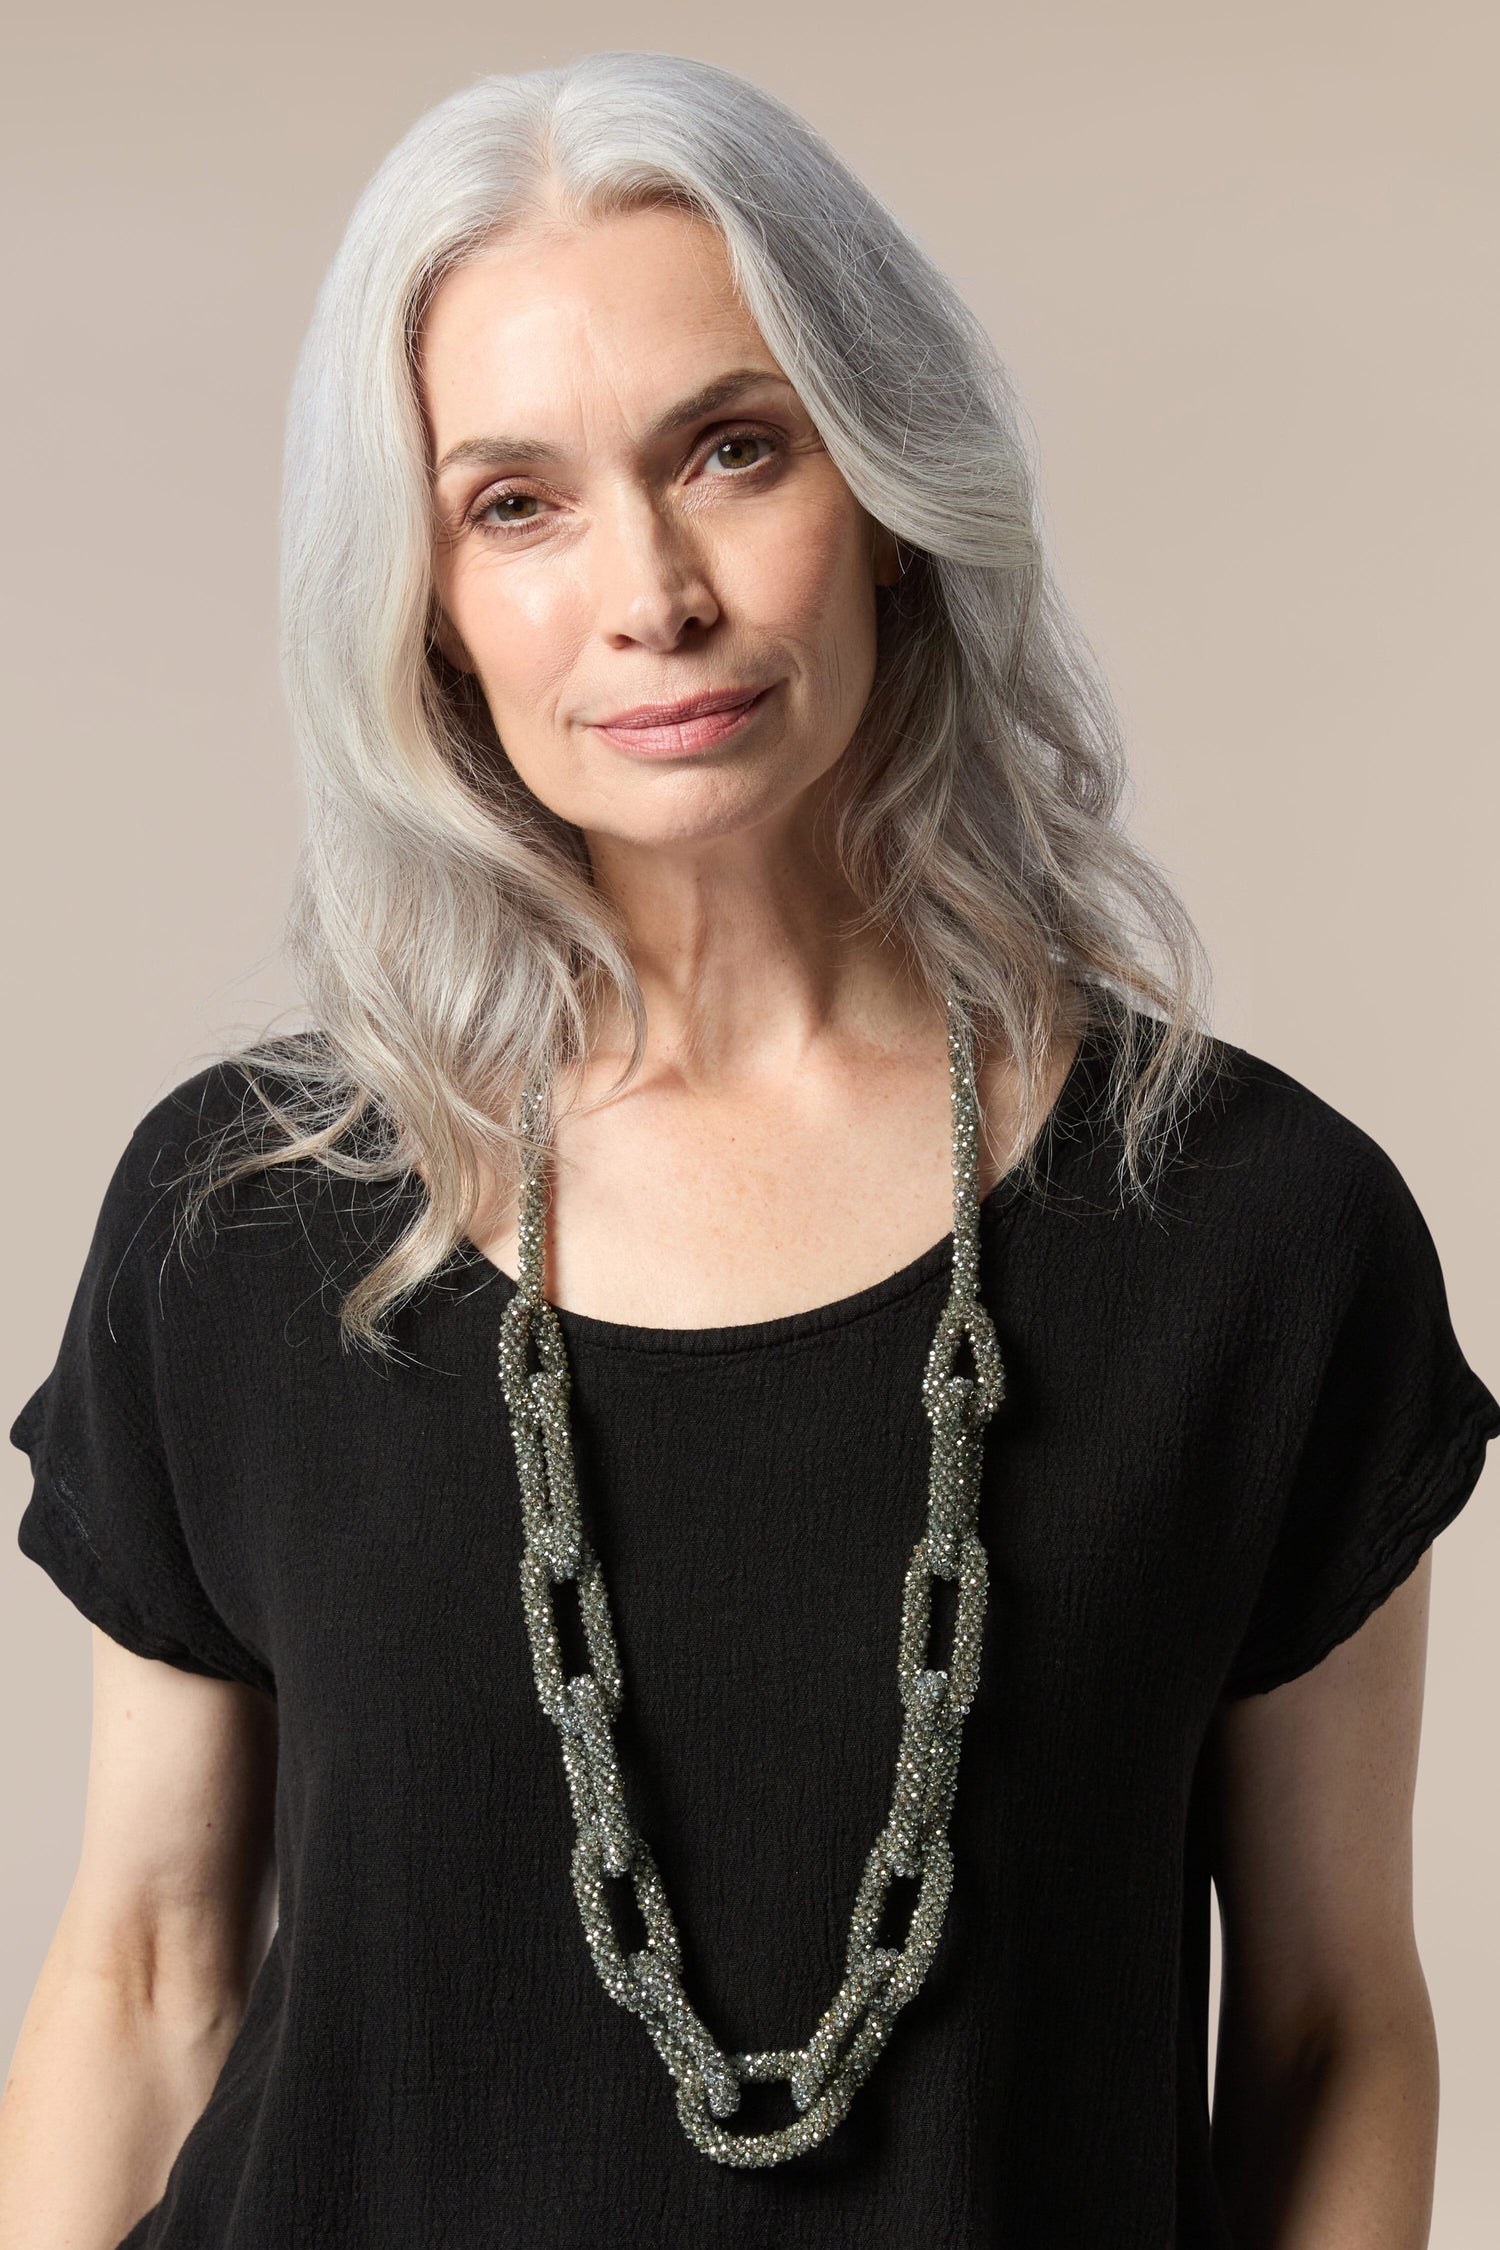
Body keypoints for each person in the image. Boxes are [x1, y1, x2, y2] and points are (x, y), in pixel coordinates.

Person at [1, 48, 1494, 2250]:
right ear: (424, 599)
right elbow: (139, 1976)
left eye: (732, 449)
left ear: (886, 486)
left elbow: (1329, 2024)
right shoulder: (245, 1222)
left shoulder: (1258, 1237)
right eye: (517, 503)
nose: (654, 593)